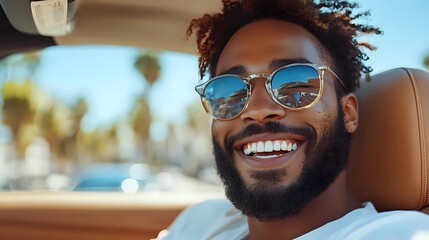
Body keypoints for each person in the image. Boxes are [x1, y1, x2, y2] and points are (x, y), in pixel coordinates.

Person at [158, 0, 429, 239]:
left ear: (348, 113)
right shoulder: (200, 222)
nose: (257, 110)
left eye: (296, 85)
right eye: (231, 92)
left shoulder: (398, 233)